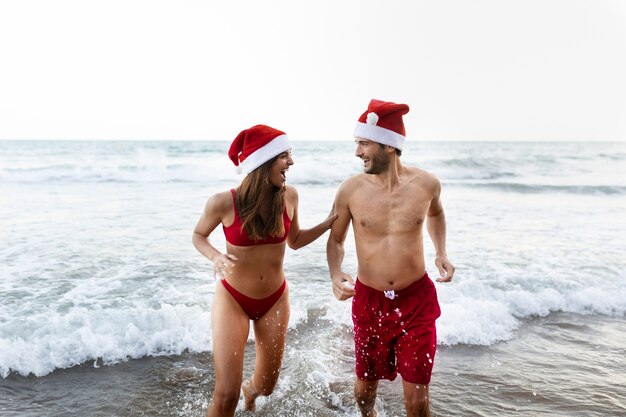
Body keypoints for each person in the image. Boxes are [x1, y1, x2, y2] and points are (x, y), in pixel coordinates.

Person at [193, 124, 336, 417]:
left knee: (267, 386)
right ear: (263, 162)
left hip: (275, 300)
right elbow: (198, 236)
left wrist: (325, 225)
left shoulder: (290, 197)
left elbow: (294, 241)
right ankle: (237, 394)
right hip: (232, 299)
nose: (291, 162)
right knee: (226, 394)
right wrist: (216, 256)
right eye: (284, 156)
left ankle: (252, 390)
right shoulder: (223, 202)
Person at [326, 99, 455, 417]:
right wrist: (335, 272)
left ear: (387, 145)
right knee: (364, 390)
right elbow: (336, 239)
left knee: (418, 400)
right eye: (357, 143)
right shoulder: (350, 191)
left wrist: (440, 252)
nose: (358, 152)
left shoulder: (426, 184)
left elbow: (436, 214)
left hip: (416, 303)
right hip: (370, 303)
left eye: (363, 143)